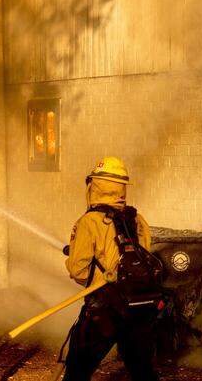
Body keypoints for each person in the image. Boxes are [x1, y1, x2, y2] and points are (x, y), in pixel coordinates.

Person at [62, 157, 161, 381]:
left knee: (78, 370)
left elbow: (78, 271)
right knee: (141, 370)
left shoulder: (89, 223)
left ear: (95, 186)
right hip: (139, 307)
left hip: (104, 310)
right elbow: (141, 261)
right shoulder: (137, 220)